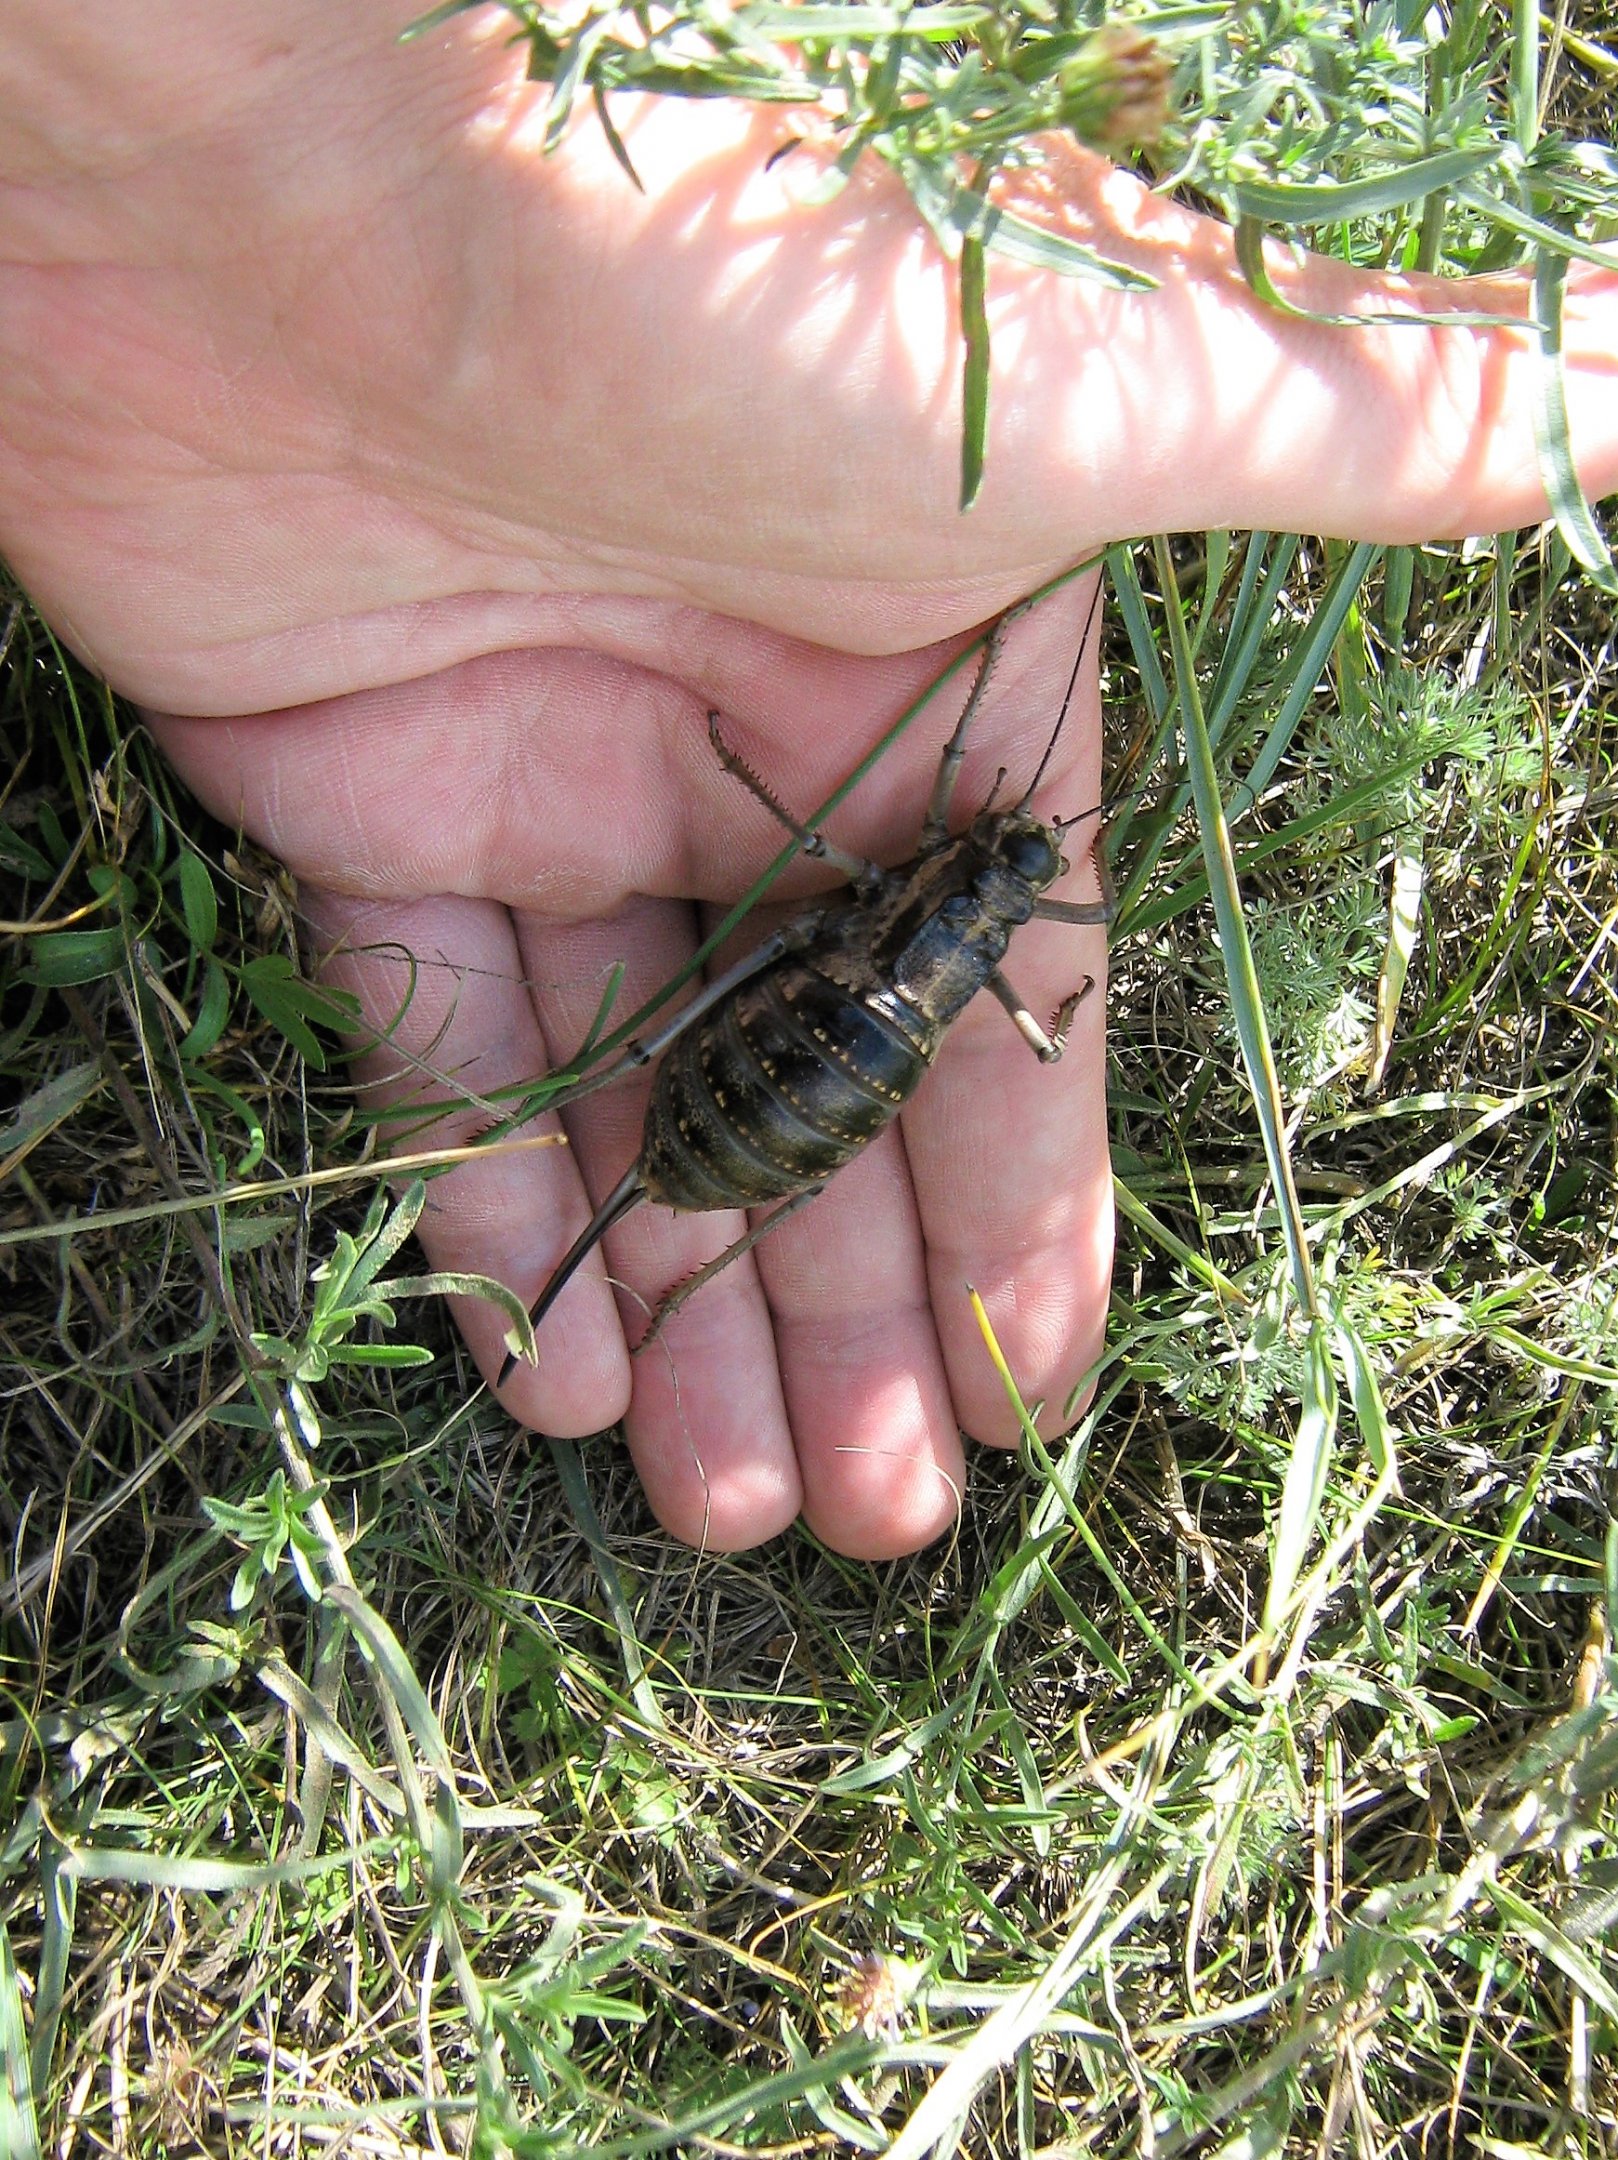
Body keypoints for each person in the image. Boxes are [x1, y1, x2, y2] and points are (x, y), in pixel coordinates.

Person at [3, 2, 1614, 1557]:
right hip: (764, 1077)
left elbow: (864, 901)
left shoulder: (884, 939)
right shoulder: (924, 950)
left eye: (994, 884)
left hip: (777, 1073)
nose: (991, 868)